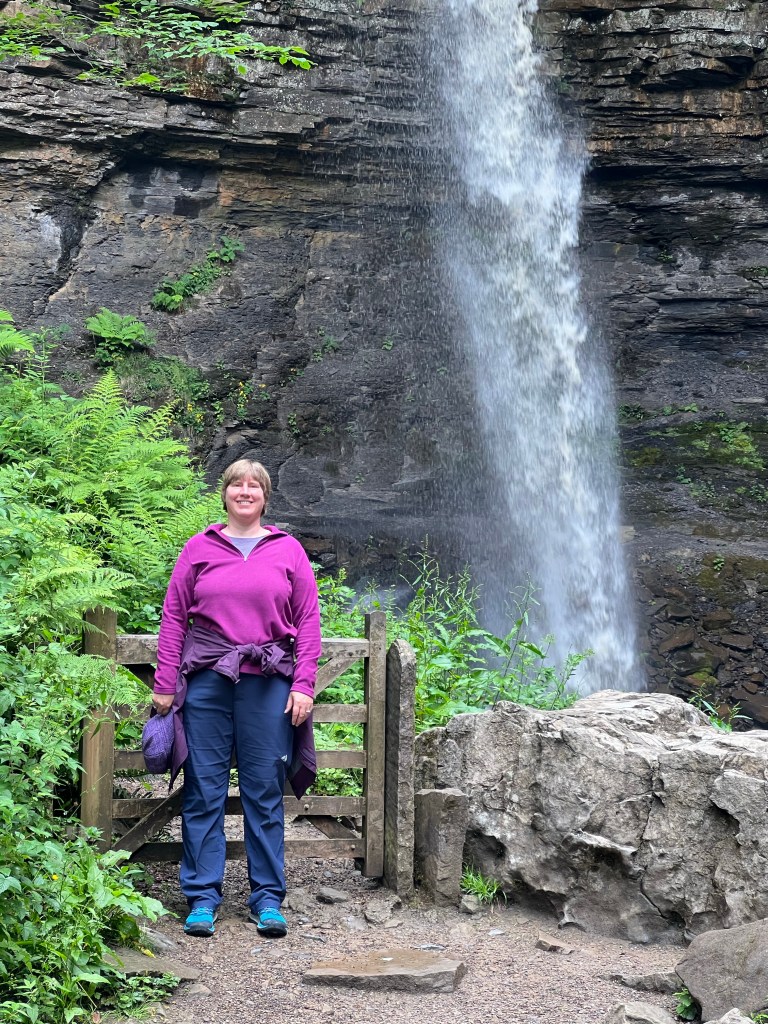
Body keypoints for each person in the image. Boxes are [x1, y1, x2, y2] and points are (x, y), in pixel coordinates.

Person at [151, 458, 321, 939]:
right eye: (236, 485)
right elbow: (174, 617)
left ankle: (267, 899)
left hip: (268, 683)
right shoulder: (199, 547)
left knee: (264, 790)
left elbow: (308, 620)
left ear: (265, 497)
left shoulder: (288, 550)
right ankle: (202, 898)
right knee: (203, 788)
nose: (245, 492)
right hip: (207, 681)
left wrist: (304, 684)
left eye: (254, 486)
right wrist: (164, 682)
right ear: (224, 493)